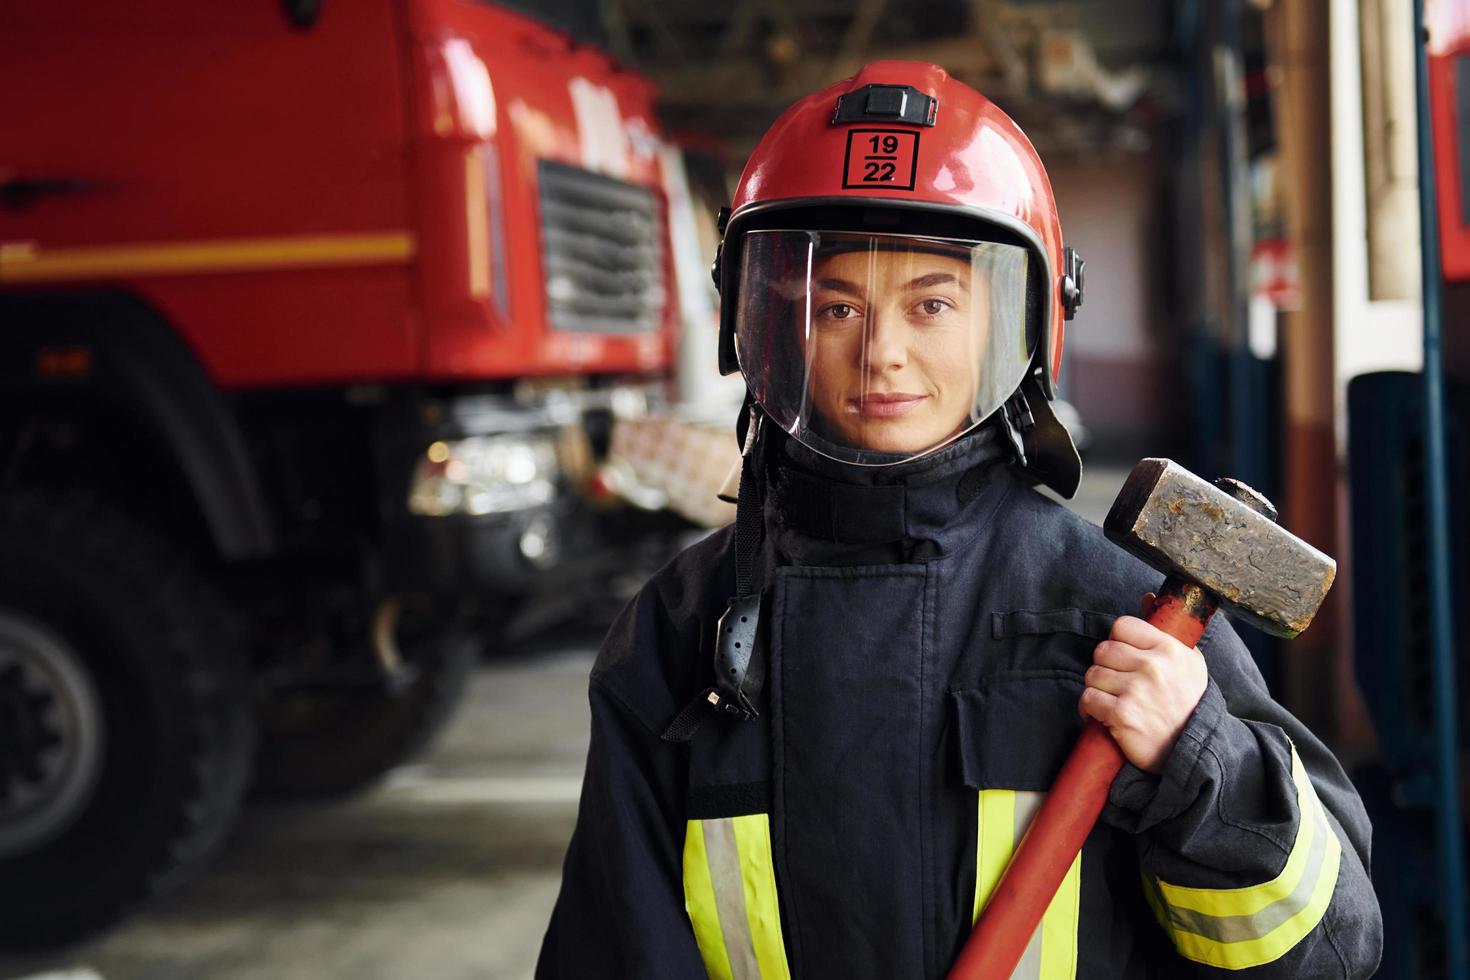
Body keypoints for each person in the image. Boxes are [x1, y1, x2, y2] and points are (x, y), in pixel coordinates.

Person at [537, 61, 1382, 979]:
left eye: (932, 304)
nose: (883, 352)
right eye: (836, 306)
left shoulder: (1122, 620)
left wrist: (1198, 760)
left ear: (1016, 323)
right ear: (768, 329)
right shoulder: (676, 630)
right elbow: (613, 945)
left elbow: (1326, 954)